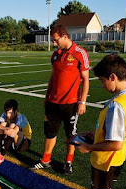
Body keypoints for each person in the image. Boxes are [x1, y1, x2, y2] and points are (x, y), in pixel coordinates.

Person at [75, 54, 126, 189]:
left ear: (113, 77)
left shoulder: (117, 105)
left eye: (102, 81)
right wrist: (93, 133)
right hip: (116, 158)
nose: (102, 85)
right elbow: (116, 131)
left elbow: (114, 143)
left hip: (105, 161)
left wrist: (89, 147)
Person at [31, 24, 90, 174]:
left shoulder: (79, 53)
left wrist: (82, 102)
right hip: (52, 102)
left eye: (55, 40)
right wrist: (47, 96)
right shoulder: (56, 55)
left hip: (70, 103)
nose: (54, 43)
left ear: (65, 36)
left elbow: (86, 80)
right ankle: (45, 160)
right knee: (50, 133)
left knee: (71, 135)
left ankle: (68, 162)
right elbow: (53, 77)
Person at [0, 99, 32, 167]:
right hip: (11, 140)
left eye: (10, 113)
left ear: (16, 111)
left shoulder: (21, 117)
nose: (7, 115)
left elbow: (13, 132)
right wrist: (1, 127)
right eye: (6, 112)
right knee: (3, 124)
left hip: (23, 143)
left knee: (11, 126)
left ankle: (2, 155)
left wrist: (1, 128)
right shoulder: (4, 115)